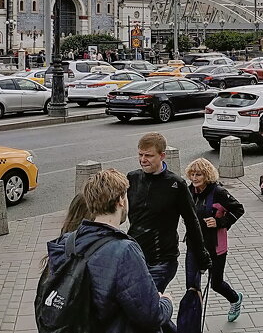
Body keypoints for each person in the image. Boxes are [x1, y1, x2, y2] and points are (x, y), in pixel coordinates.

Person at [44, 168, 173, 333]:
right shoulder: (124, 250)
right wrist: (166, 302)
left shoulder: (67, 241)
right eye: (126, 196)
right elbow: (150, 316)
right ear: (120, 200)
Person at [126, 132, 211, 292]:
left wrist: (201, 255)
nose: (143, 160)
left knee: (147, 306)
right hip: (136, 256)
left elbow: (192, 222)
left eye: (149, 155)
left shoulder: (176, 185)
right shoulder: (133, 178)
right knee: (140, 309)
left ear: (162, 155)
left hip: (161, 261)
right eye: (140, 154)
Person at [184, 158, 245, 322]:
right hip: (194, 244)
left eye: (199, 175)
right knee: (191, 285)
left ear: (207, 176)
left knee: (216, 284)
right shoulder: (188, 191)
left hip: (216, 246)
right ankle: (193, 319)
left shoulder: (218, 192)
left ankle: (235, 299)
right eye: (193, 174)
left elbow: (239, 209)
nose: (195, 178)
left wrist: (220, 222)